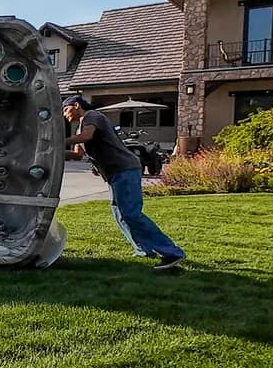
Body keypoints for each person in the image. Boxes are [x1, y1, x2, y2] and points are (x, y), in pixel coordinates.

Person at [62, 95, 185, 269]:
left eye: (65, 110)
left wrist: (60, 141)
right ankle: (144, 249)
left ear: (76, 105)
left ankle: (172, 253)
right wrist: (54, 150)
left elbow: (87, 136)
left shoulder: (92, 116)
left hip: (125, 169)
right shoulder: (80, 129)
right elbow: (77, 155)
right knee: (120, 214)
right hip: (114, 174)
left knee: (131, 214)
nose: (64, 114)